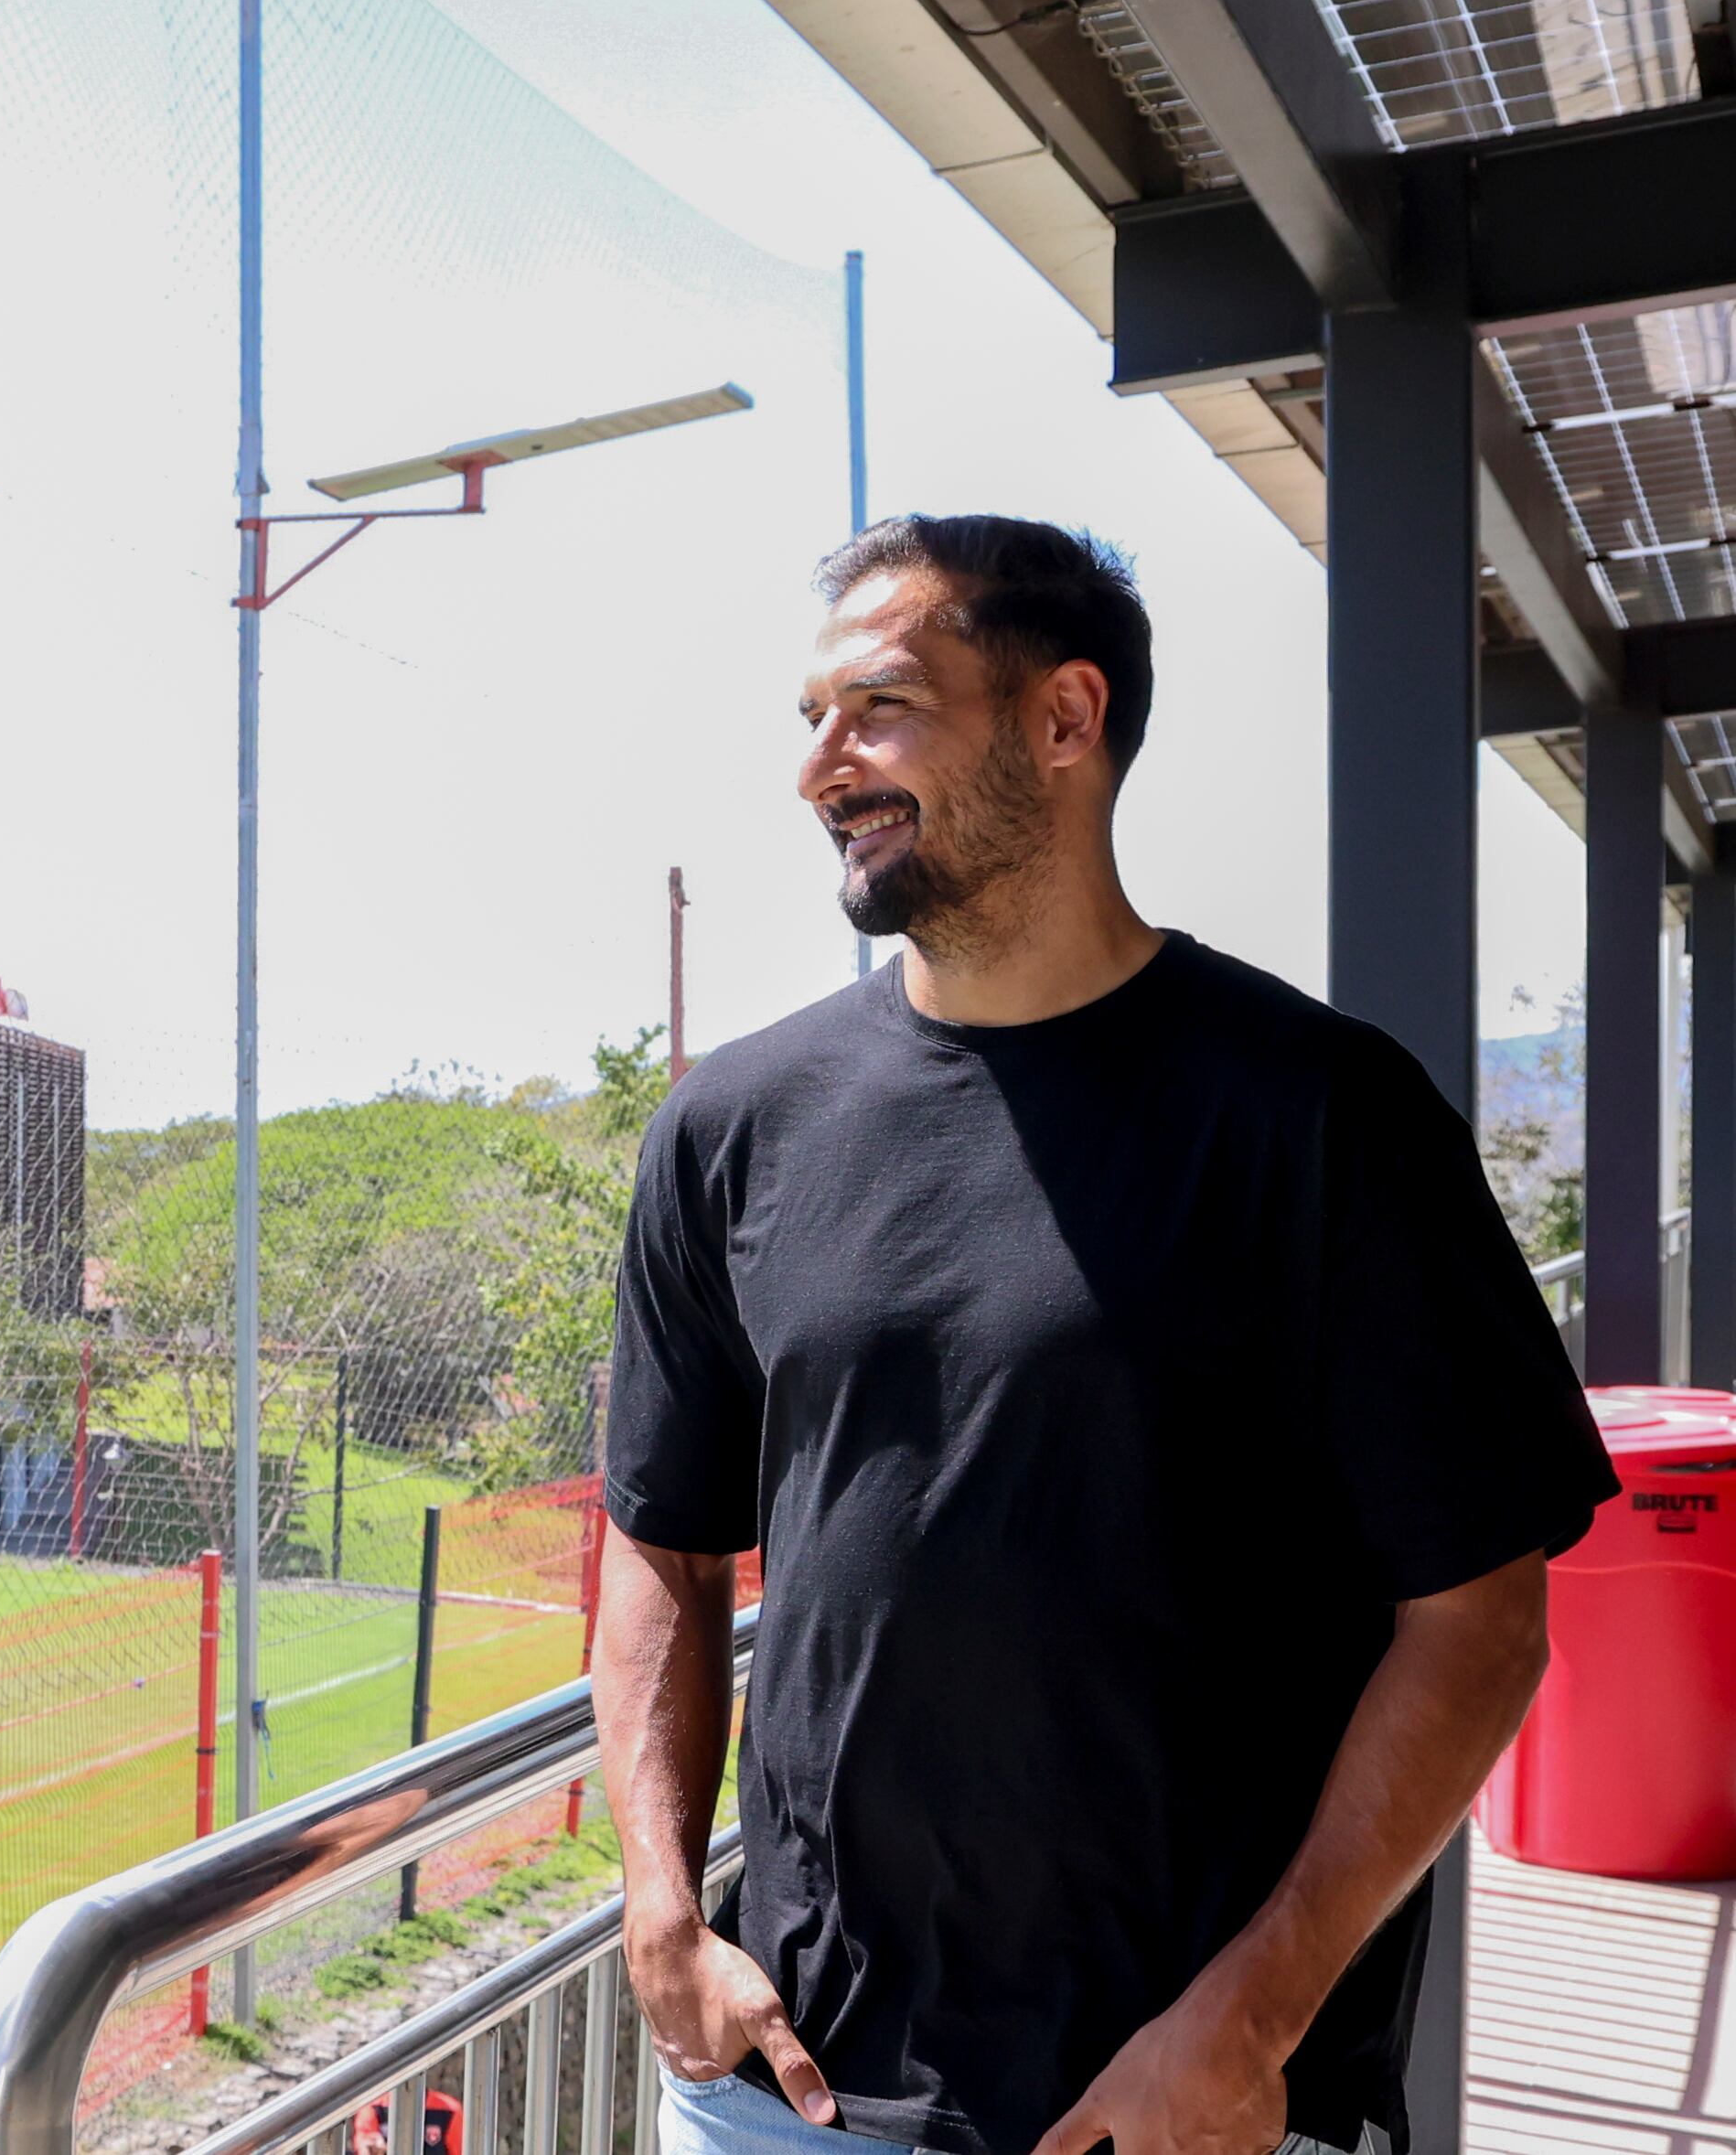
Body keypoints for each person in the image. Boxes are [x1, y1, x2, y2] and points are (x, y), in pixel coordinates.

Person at [591, 515, 1613, 2155]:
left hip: (1188, 2109)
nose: (821, 772)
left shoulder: (1327, 1122)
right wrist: (657, 1908)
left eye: (880, 708)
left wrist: (1252, 2018)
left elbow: (1483, 1618)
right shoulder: (729, 1130)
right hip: (791, 2096)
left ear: (1066, 719)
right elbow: (663, 1545)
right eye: (811, 724)